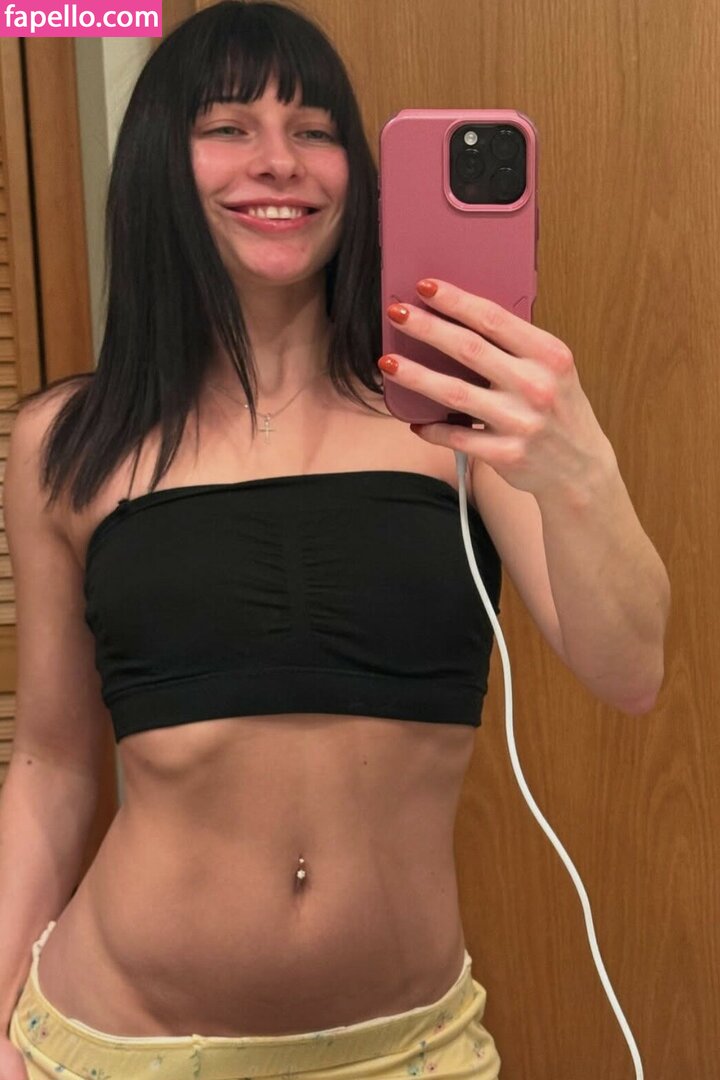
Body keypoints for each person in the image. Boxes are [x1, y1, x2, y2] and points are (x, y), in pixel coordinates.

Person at [0, 2, 670, 1078]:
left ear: (360, 172)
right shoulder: (69, 441)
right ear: (160, 164)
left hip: (412, 1051)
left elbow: (631, 669)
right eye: (229, 126)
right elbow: (51, 763)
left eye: (314, 130)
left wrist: (577, 459)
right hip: (110, 1046)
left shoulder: (462, 418)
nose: (280, 161)